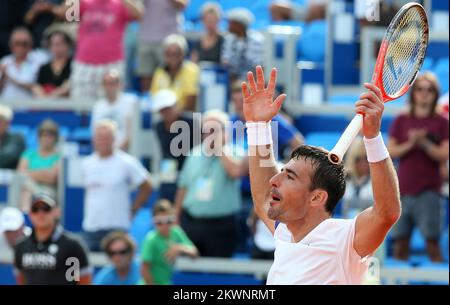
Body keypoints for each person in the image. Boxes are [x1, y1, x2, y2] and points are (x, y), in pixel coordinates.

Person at [243, 66, 401, 284]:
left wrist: (372, 137)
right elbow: (263, 198)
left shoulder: (345, 240)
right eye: (281, 172)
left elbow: (387, 213)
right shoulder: (284, 233)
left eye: (289, 176)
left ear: (317, 197)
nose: (273, 180)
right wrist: (258, 126)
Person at [388, 72, 449, 262]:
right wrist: (412, 143)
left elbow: (444, 154)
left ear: (435, 93)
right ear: (413, 93)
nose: (424, 93)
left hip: (429, 191)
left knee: (432, 244)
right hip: (403, 190)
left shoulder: (442, 122)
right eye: (420, 89)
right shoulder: (401, 120)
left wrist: (424, 143)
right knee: (400, 245)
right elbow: (391, 151)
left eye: (429, 90)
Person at [174, 110, 246, 257]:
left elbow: (236, 172)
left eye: (214, 130)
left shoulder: (235, 151)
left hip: (221, 226)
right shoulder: (194, 154)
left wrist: (219, 148)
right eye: (206, 130)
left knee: (217, 273)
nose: (209, 134)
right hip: (192, 223)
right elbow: (183, 187)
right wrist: (176, 216)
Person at [81, 120, 152, 251]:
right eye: (99, 137)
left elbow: (146, 186)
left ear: (114, 139)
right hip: (91, 227)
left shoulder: (127, 162)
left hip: (117, 227)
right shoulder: (87, 163)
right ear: (94, 139)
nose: (103, 141)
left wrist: (133, 210)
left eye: (106, 137)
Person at [63, 0, 145, 100]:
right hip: (84, 63)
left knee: (112, 104)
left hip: (112, 63)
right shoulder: (84, 2)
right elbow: (69, 17)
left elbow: (139, 15)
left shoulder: (119, 4)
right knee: (80, 105)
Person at [14, 194, 92, 284]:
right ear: (30, 214)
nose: (41, 214)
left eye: (46, 209)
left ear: (57, 212)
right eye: (35, 209)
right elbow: (21, 278)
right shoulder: (22, 245)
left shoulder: (72, 245)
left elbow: (83, 279)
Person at [152, 89, 197, 202]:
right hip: (169, 171)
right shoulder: (159, 126)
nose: (166, 112)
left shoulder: (192, 122)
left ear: (177, 105)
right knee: (166, 200)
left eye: (168, 108)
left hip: (190, 170)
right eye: (162, 110)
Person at [140, 199, 198, 285]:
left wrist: (180, 248)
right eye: (159, 221)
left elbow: (194, 253)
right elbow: (144, 269)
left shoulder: (176, 232)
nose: (164, 225)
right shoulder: (150, 239)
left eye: (168, 220)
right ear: (153, 221)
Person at [137, 0, 187, 92]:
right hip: (146, 37)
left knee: (169, 74)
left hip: (169, 39)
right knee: (146, 77)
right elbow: (136, 9)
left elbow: (182, 5)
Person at [17, 119, 61, 211]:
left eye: (50, 136)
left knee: (30, 191)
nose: (46, 139)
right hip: (29, 189)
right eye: (44, 136)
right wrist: (43, 173)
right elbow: (20, 175)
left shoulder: (59, 156)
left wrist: (29, 173)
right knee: (26, 191)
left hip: (49, 192)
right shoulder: (28, 154)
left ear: (55, 138)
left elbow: (51, 178)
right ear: (39, 137)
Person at [151, 34, 200, 112]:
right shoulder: (159, 72)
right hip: (164, 117)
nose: (172, 57)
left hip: (186, 117)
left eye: (176, 54)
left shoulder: (192, 70)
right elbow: (154, 99)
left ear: (183, 53)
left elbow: (191, 103)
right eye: (168, 54)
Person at [91, 70, 137, 151]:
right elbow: (95, 132)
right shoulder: (98, 106)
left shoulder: (130, 102)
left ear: (120, 84)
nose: (110, 86)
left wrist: (117, 151)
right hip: (103, 151)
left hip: (125, 151)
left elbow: (132, 131)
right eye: (107, 83)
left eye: (113, 83)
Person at [0, 27, 48, 99]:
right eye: (17, 43)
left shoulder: (39, 60)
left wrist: (11, 79)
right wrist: (3, 78)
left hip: (28, 107)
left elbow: (38, 87)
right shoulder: (5, 61)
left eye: (24, 43)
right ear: (10, 45)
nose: (20, 47)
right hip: (6, 107)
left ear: (31, 44)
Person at [221, 8, 265, 82]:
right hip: (231, 83)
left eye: (231, 22)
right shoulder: (228, 39)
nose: (228, 25)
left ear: (239, 25)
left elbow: (259, 68)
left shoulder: (256, 40)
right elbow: (225, 61)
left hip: (251, 82)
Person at [32, 30, 72, 98]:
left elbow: (69, 85)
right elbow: (37, 86)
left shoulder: (73, 65)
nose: (57, 48)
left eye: (60, 44)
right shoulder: (44, 67)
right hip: (46, 105)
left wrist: (51, 97)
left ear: (68, 45)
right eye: (53, 44)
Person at [342, 137, 373, 219]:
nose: (363, 163)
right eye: (358, 159)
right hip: (348, 225)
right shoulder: (346, 180)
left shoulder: (378, 181)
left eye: (366, 158)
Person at [0, 105, 26, 170]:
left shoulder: (17, 138)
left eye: (0, 122)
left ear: (7, 124)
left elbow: (8, 157)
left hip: (10, 177)